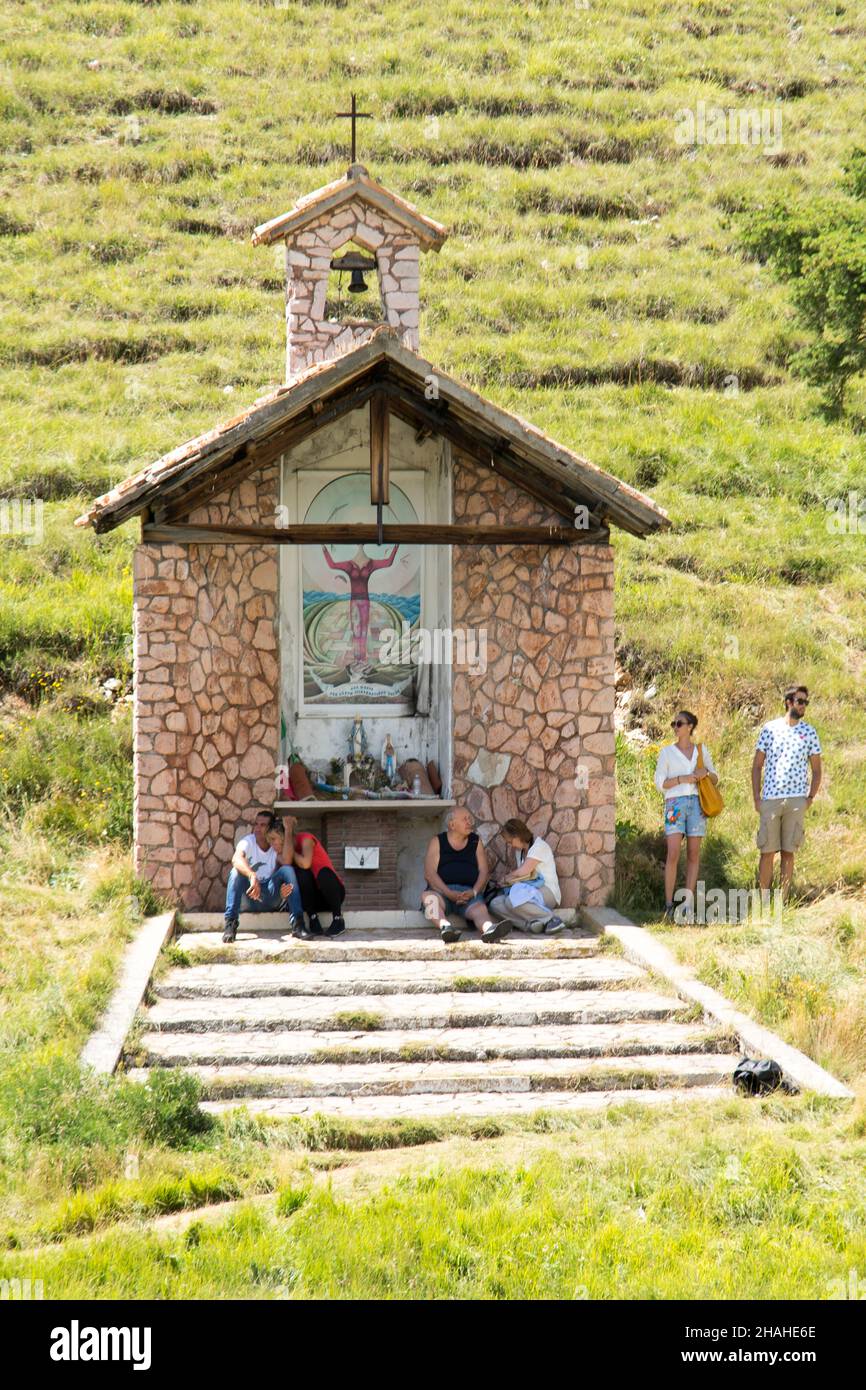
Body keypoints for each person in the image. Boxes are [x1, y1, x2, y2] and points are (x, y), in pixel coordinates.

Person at [752, 684, 822, 898]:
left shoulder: (809, 732)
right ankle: (763, 901)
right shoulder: (769, 729)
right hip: (770, 799)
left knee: (788, 853)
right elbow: (757, 766)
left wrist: (809, 797)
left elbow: (817, 769)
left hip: (796, 801)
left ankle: (783, 902)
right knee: (767, 852)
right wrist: (757, 798)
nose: (803, 706)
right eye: (800, 701)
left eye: (806, 703)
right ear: (788, 702)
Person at [654, 710, 719, 922]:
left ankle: (688, 904)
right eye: (673, 723)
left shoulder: (701, 750)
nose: (675, 727)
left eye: (679, 723)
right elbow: (660, 783)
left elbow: (715, 778)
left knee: (693, 854)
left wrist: (705, 774)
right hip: (675, 803)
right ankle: (669, 903)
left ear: (690, 726)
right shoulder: (666, 753)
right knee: (673, 853)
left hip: (696, 804)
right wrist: (683, 778)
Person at [421, 807, 507, 943]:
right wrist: (449, 893)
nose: (469, 822)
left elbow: (484, 871)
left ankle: (490, 929)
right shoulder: (437, 841)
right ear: (452, 825)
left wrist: (473, 892)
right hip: (442, 892)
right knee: (428, 898)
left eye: (469, 819)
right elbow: (429, 873)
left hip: (468, 894)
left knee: (480, 908)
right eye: (464, 819)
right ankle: (446, 927)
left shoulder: (475, 841)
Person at [222, 811, 304, 944]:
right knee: (235, 873)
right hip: (251, 896)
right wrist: (251, 875)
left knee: (287, 870)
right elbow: (236, 858)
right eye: (256, 824)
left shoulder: (274, 845)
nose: (258, 828)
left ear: (270, 828)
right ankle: (230, 924)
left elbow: (287, 861)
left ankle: (298, 924)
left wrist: (288, 830)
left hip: (270, 896)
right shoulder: (248, 841)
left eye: (263, 825)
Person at [488, 819, 565, 934]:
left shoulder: (539, 846)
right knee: (495, 904)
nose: (511, 846)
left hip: (547, 892)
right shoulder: (520, 853)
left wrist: (505, 878)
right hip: (530, 892)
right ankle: (530, 925)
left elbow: (524, 871)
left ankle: (551, 919)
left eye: (510, 841)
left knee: (511, 901)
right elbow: (522, 878)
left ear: (518, 835)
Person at [284, 815, 347, 937]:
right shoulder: (283, 853)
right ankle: (313, 919)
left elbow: (306, 863)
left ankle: (338, 919)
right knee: (302, 875)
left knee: (323, 872)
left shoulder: (306, 838)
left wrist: (291, 850)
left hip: (333, 894)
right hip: (313, 901)